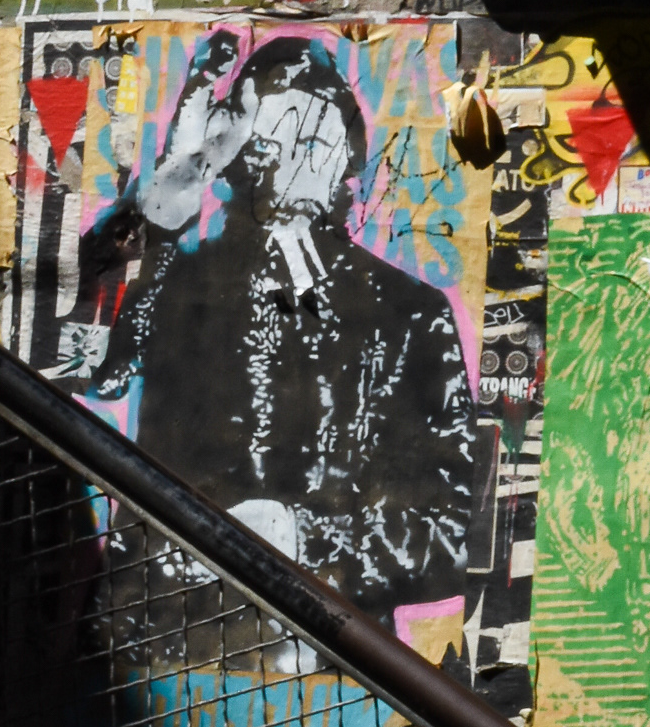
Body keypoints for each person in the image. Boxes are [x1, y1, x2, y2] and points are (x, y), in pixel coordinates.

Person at [77, 32, 473, 617]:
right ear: (236, 157)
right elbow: (86, 370)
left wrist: (298, 538)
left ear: (347, 160)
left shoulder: (407, 315)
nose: (290, 165)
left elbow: (453, 534)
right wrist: (169, 196)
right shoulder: (174, 280)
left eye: (313, 140)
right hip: (164, 638)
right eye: (270, 141)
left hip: (329, 659)